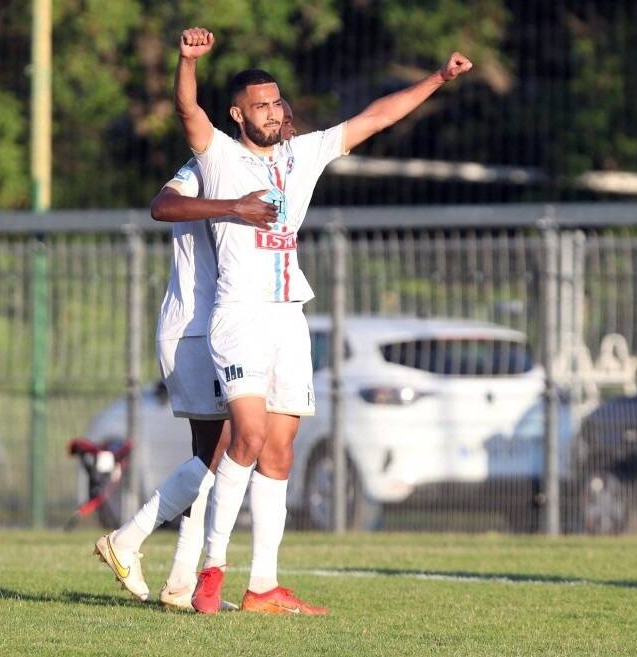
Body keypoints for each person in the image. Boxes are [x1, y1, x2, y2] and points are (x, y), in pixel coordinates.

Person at [174, 26, 472, 615]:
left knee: (281, 452)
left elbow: (374, 117)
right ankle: (212, 568)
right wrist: (187, 63)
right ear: (237, 114)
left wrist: (438, 78)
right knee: (249, 437)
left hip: (289, 316)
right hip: (238, 314)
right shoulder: (219, 156)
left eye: (276, 101)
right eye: (260, 104)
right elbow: (186, 107)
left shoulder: (300, 152)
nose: (272, 110)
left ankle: (262, 587)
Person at [93, 105, 298, 610]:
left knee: (217, 456)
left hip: (218, 325)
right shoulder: (210, 166)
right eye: (272, 113)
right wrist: (233, 207)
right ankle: (128, 539)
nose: (281, 123)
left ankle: (182, 582)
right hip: (195, 324)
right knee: (223, 453)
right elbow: (162, 205)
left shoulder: (274, 169)